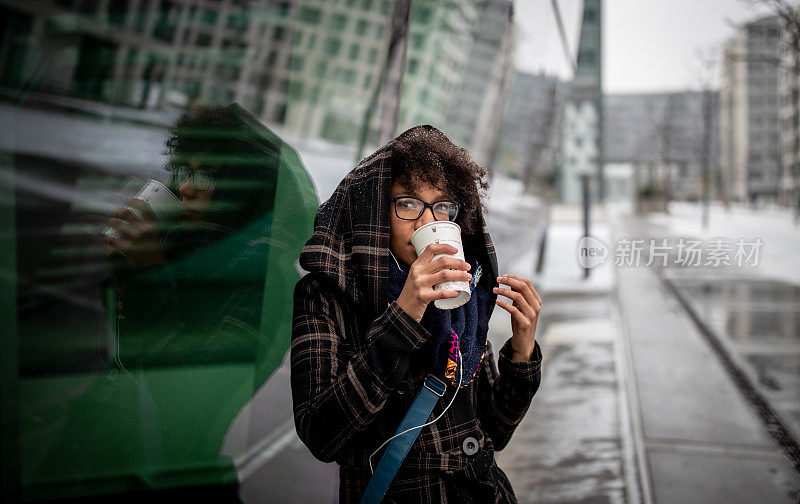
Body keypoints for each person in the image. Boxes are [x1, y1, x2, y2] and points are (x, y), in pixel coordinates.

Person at [291, 125, 543, 503]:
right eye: (407, 204)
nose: (428, 223)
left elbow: (494, 430)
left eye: (443, 207)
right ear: (375, 211)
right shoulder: (329, 293)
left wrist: (521, 353)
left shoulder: (464, 297)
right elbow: (321, 435)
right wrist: (404, 317)